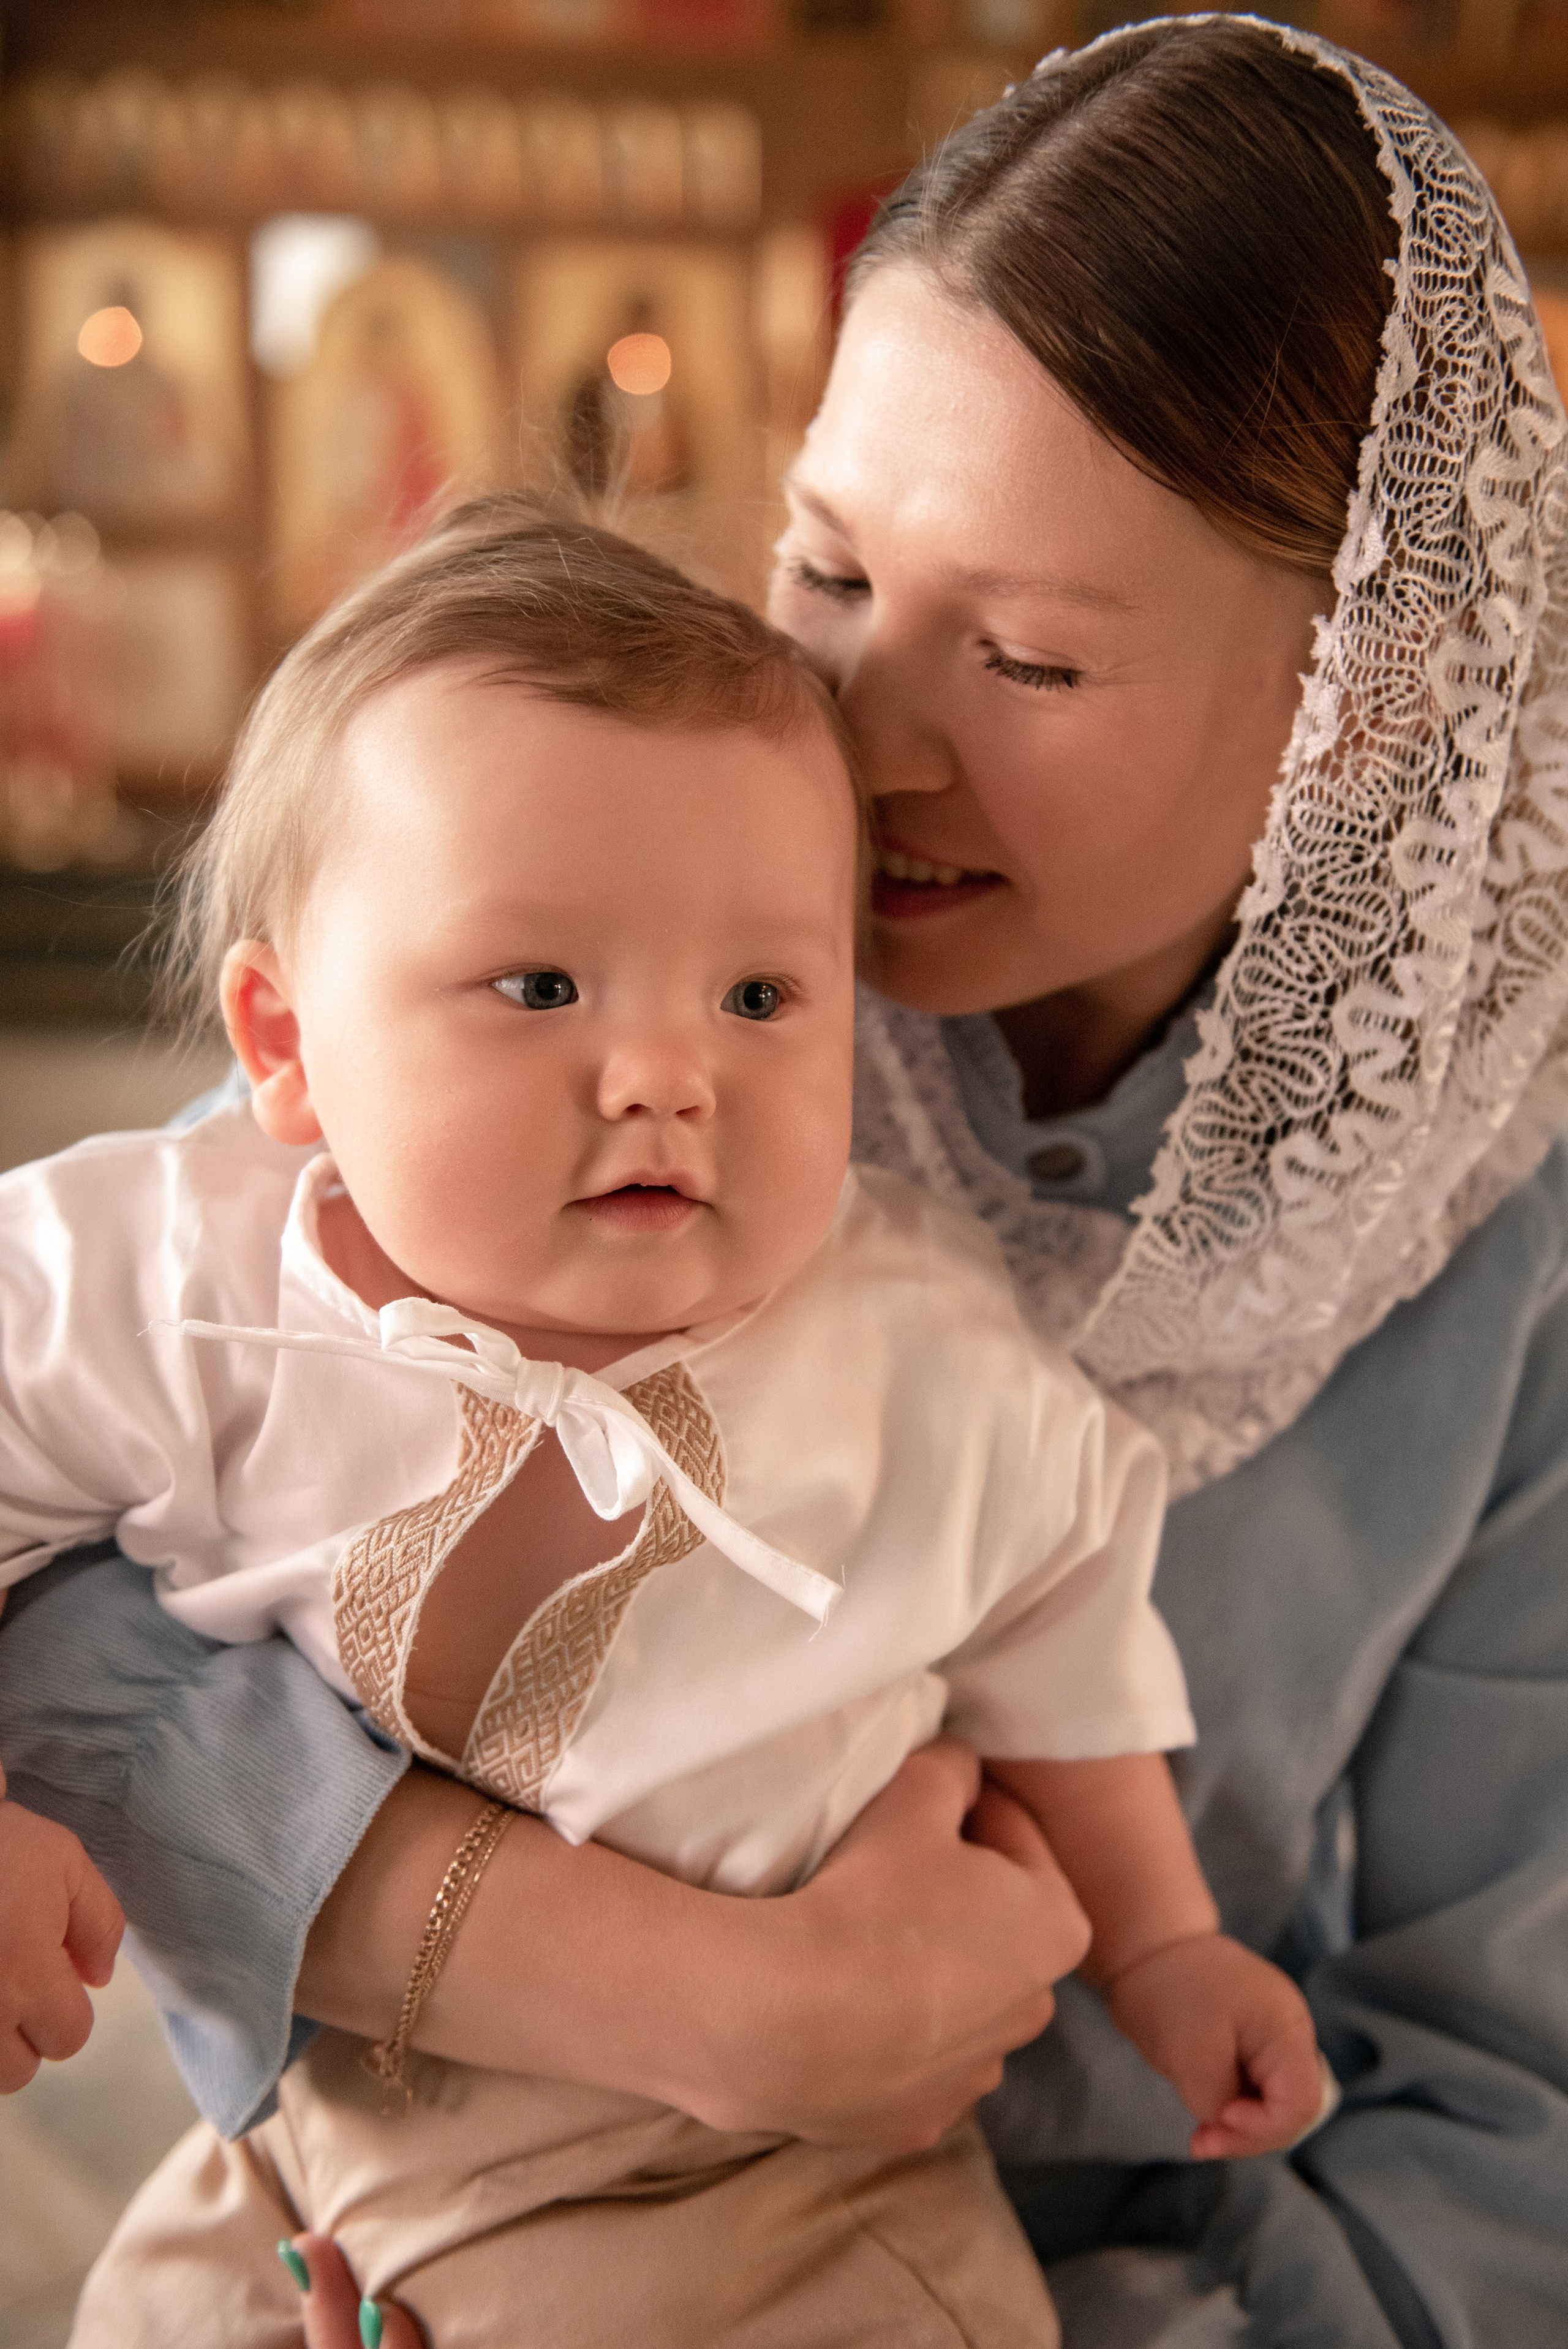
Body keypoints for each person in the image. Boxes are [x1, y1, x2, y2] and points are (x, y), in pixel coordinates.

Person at [2, 15, 1566, 2345]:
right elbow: (115, 1560)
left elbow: (1500, 2130)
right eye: (828, 568)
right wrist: (671, 1994)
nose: (862, 730)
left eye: (1028, 655)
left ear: (1374, 700)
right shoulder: (602, 954)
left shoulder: (1491, 1250)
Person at [0, 505, 1323, 2348]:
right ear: (285, 1042)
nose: (663, 1071)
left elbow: (1061, 1646)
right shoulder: (177, 1276)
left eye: (762, 995)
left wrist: (1166, 1946)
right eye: (539, 987)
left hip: (773, 2197)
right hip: (312, 2140)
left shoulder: (919, 1349)